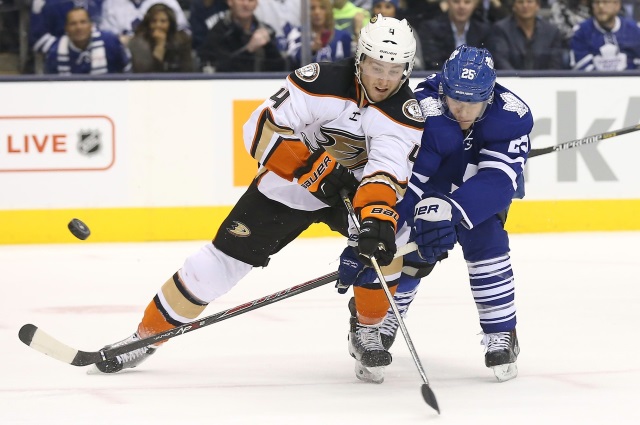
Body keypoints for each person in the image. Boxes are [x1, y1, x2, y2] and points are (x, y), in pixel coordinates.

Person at [89, 16, 424, 387]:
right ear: (360, 58)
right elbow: (261, 127)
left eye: (394, 70)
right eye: (376, 66)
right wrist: (314, 170)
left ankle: (368, 330)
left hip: (351, 193)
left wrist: (376, 221)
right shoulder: (320, 81)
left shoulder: (404, 112)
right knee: (219, 261)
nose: (383, 79)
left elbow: (385, 172)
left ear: (407, 69)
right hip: (289, 186)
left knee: (388, 246)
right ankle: (145, 336)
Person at [338, 45, 533, 382]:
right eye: (455, 99)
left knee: (488, 243)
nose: (462, 110)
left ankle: (502, 333)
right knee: (404, 249)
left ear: (491, 94)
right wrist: (376, 229)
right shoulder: (420, 104)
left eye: (473, 103)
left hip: (473, 201)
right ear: (443, 88)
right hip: (426, 191)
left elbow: (499, 180)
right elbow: (408, 180)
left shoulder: (510, 116)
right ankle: (375, 323)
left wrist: (453, 211)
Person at [197, 0, 287, 72]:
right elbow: (217, 68)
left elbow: (281, 68)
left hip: (261, 88)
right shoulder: (218, 32)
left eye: (251, 0)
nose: (246, 4)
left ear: (256, 4)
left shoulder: (266, 30)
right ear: (230, 2)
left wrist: (269, 47)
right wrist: (249, 50)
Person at [44, 7, 131, 74]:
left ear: (91, 25)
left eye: (83, 22)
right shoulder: (55, 51)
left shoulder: (110, 43)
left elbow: (126, 71)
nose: (79, 27)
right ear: (66, 29)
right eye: (73, 23)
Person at [488, 0, 565, 69]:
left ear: (537, 6)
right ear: (514, 7)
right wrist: (518, 80)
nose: (525, 6)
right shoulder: (501, 29)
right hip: (511, 81)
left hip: (545, 82)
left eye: (529, 2)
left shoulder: (551, 31)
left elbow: (555, 64)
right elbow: (500, 60)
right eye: (520, 2)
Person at [417, 0, 490, 70]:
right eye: (456, 1)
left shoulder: (484, 31)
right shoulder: (430, 29)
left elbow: (488, 62)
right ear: (448, 3)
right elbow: (432, 63)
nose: (461, 6)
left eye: (467, 2)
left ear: (475, 5)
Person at [570, 0, 640, 71]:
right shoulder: (581, 31)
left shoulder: (634, 30)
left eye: (605, 2)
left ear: (617, 5)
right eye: (597, 3)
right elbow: (581, 67)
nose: (601, 6)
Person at [284, 0, 352, 69]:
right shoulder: (297, 33)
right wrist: (312, 49)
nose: (317, 12)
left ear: (329, 11)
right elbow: (293, 58)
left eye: (322, 8)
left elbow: (348, 67)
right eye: (312, 8)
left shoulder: (343, 36)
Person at [128, 3, 194, 72]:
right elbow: (145, 73)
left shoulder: (182, 40)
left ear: (170, 23)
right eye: (154, 21)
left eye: (163, 21)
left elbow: (187, 69)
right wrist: (159, 46)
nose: (158, 25)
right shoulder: (138, 42)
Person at [100, 0, 189, 46]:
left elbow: (186, 34)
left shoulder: (168, 1)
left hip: (165, 55)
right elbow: (105, 39)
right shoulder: (111, 3)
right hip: (123, 59)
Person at [30, 0, 104, 56]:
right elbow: (38, 40)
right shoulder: (45, 2)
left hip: (102, 54)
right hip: (61, 57)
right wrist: (63, 48)